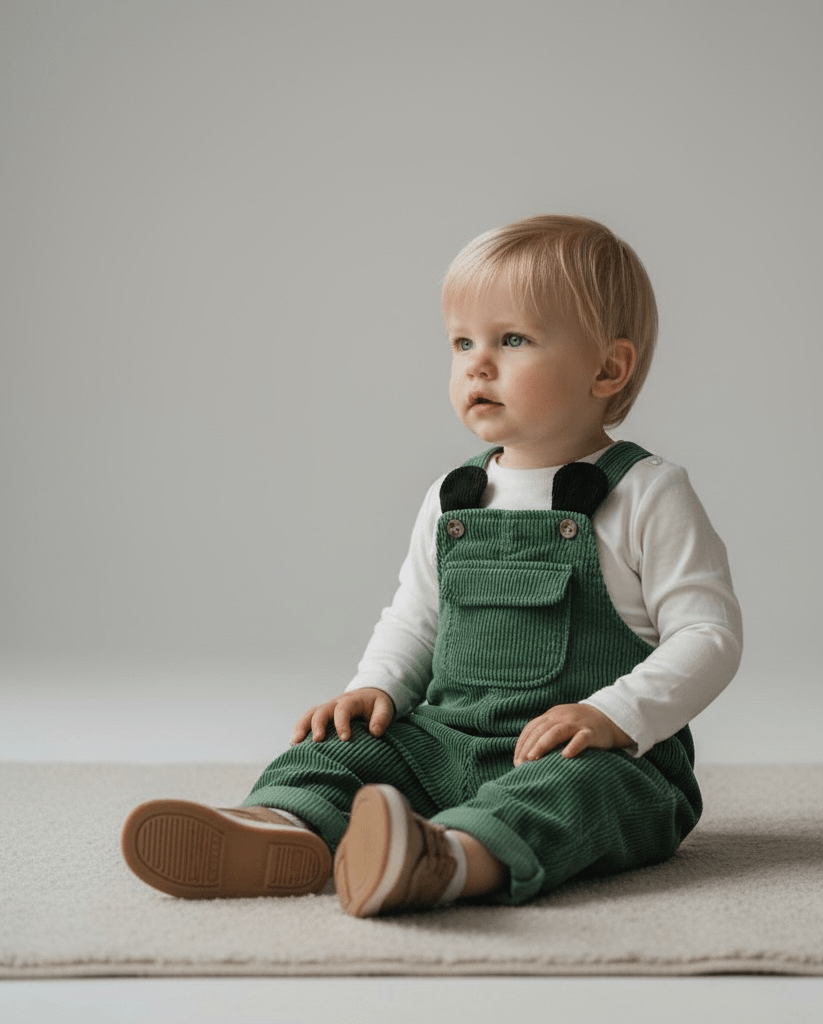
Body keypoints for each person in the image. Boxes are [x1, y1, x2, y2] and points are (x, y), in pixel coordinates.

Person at [121, 214, 742, 917]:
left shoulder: (645, 491)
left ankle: (446, 861)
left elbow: (708, 637)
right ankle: (279, 828)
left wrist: (615, 715)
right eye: (461, 343)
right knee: (341, 751)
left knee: (578, 795)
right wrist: (374, 685)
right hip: (447, 742)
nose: (478, 363)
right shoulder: (455, 495)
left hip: (589, 756)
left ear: (608, 368)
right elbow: (415, 616)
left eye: (512, 339)